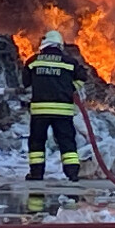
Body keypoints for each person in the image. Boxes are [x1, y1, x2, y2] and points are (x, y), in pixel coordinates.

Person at [21, 30, 88, 181]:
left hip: (40, 111)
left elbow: (26, 83)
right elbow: (83, 77)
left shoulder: (33, 62)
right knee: (67, 142)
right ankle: (72, 173)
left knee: (37, 142)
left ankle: (36, 173)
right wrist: (71, 88)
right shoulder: (69, 62)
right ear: (59, 45)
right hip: (63, 111)